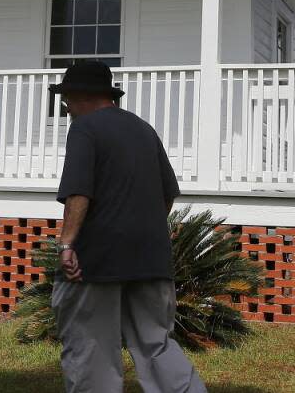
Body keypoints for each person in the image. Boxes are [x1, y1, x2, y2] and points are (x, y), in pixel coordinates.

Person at [49, 61, 206, 393]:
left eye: (67, 101)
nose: (67, 109)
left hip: (96, 262)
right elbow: (167, 196)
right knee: (157, 346)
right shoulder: (144, 130)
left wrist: (66, 244)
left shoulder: (85, 128)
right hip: (151, 259)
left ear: (80, 95)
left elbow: (79, 192)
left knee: (91, 352)